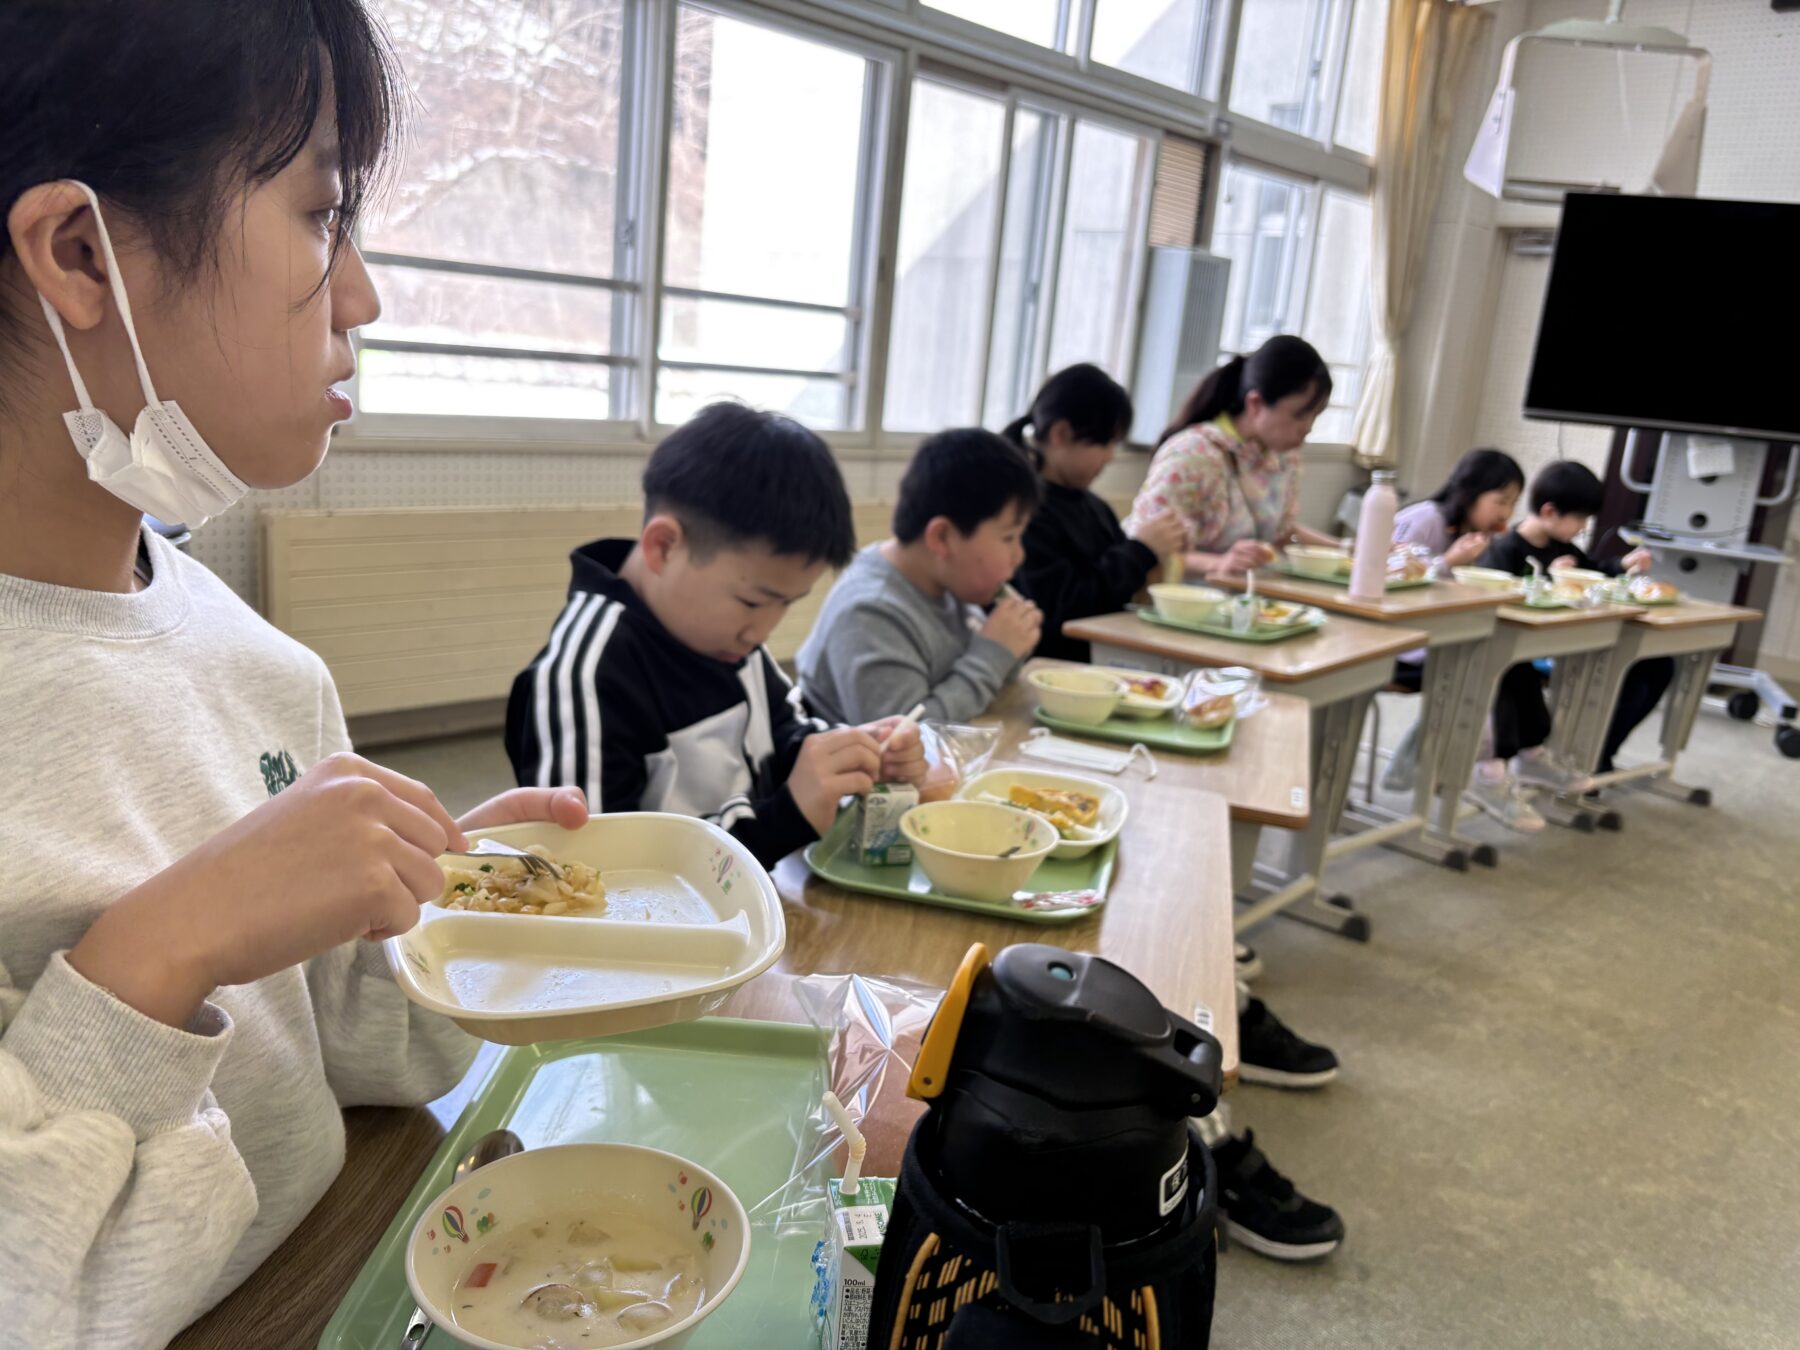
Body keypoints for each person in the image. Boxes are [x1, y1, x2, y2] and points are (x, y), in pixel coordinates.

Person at [0, 5, 591, 1343]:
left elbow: (344, 1061)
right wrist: (159, 950)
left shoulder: (260, 663)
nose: (366, 294)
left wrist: (449, 906)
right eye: (324, 217)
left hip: (354, 1273)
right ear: (82, 253)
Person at [505, 403, 923, 867]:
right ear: (664, 547)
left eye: (787, 602)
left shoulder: (727, 637)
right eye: (753, 601)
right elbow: (591, 874)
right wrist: (785, 818)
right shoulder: (581, 678)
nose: (763, 630)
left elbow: (783, 732)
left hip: (755, 909)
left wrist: (849, 756)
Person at [797, 428, 1044, 726]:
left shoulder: (950, 582)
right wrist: (993, 655)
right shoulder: (870, 612)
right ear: (942, 537)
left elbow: (988, 692)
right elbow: (904, 741)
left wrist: (1012, 646)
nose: (1019, 556)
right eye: (1009, 538)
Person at [1482, 461, 1673, 776]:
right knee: (1620, 678)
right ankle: (1558, 757)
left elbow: (1594, 572)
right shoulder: (1506, 550)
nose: (1583, 527)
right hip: (1524, 647)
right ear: (1548, 511)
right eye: (1580, 518)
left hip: (1573, 639)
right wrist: (1553, 581)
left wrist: (1622, 565)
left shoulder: (1563, 546)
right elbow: (1499, 601)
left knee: (1656, 667)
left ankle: (1597, 753)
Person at [1006, 364, 1187, 662]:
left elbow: (1121, 591)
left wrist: (1161, 556)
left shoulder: (1094, 507)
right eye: (1105, 442)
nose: (1111, 456)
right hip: (1050, 667)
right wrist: (1141, 550)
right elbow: (1063, 609)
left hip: (1103, 658)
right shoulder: (1024, 510)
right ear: (1061, 433)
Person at [1126, 335, 1343, 578]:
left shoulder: (1283, 457)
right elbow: (1144, 549)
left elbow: (1282, 533)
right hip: (1187, 602)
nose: (1308, 428)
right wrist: (1218, 564)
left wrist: (1345, 549)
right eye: (1300, 415)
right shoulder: (1194, 455)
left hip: (1249, 598)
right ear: (1256, 403)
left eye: (1315, 415)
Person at [1381, 449, 1526, 798]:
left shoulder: (1471, 534)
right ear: (1470, 491)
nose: (1505, 513)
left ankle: (1454, 764)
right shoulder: (1424, 520)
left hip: (1436, 640)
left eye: (1512, 504)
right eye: (1500, 501)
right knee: (1482, 664)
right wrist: (1448, 561)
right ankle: (1480, 770)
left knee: (1504, 660)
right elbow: (1387, 584)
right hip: (1394, 645)